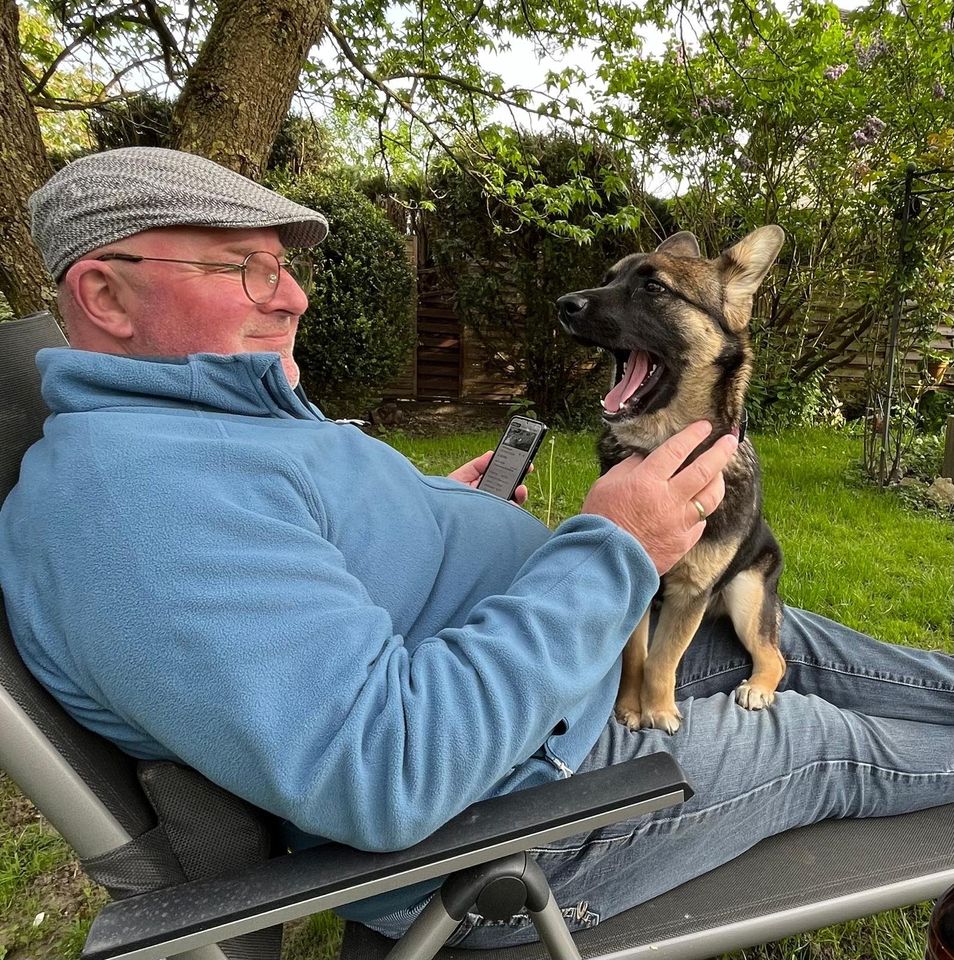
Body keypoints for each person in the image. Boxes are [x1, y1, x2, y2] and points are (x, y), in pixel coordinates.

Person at [1, 147, 952, 949]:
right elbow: (387, 771)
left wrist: (428, 513)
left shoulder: (208, 423)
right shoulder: (132, 509)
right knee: (828, 737)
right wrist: (615, 545)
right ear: (106, 296)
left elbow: (307, 557)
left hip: (558, 668)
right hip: (530, 804)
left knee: (816, 651)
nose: (290, 297)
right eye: (246, 267)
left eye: (288, 267)